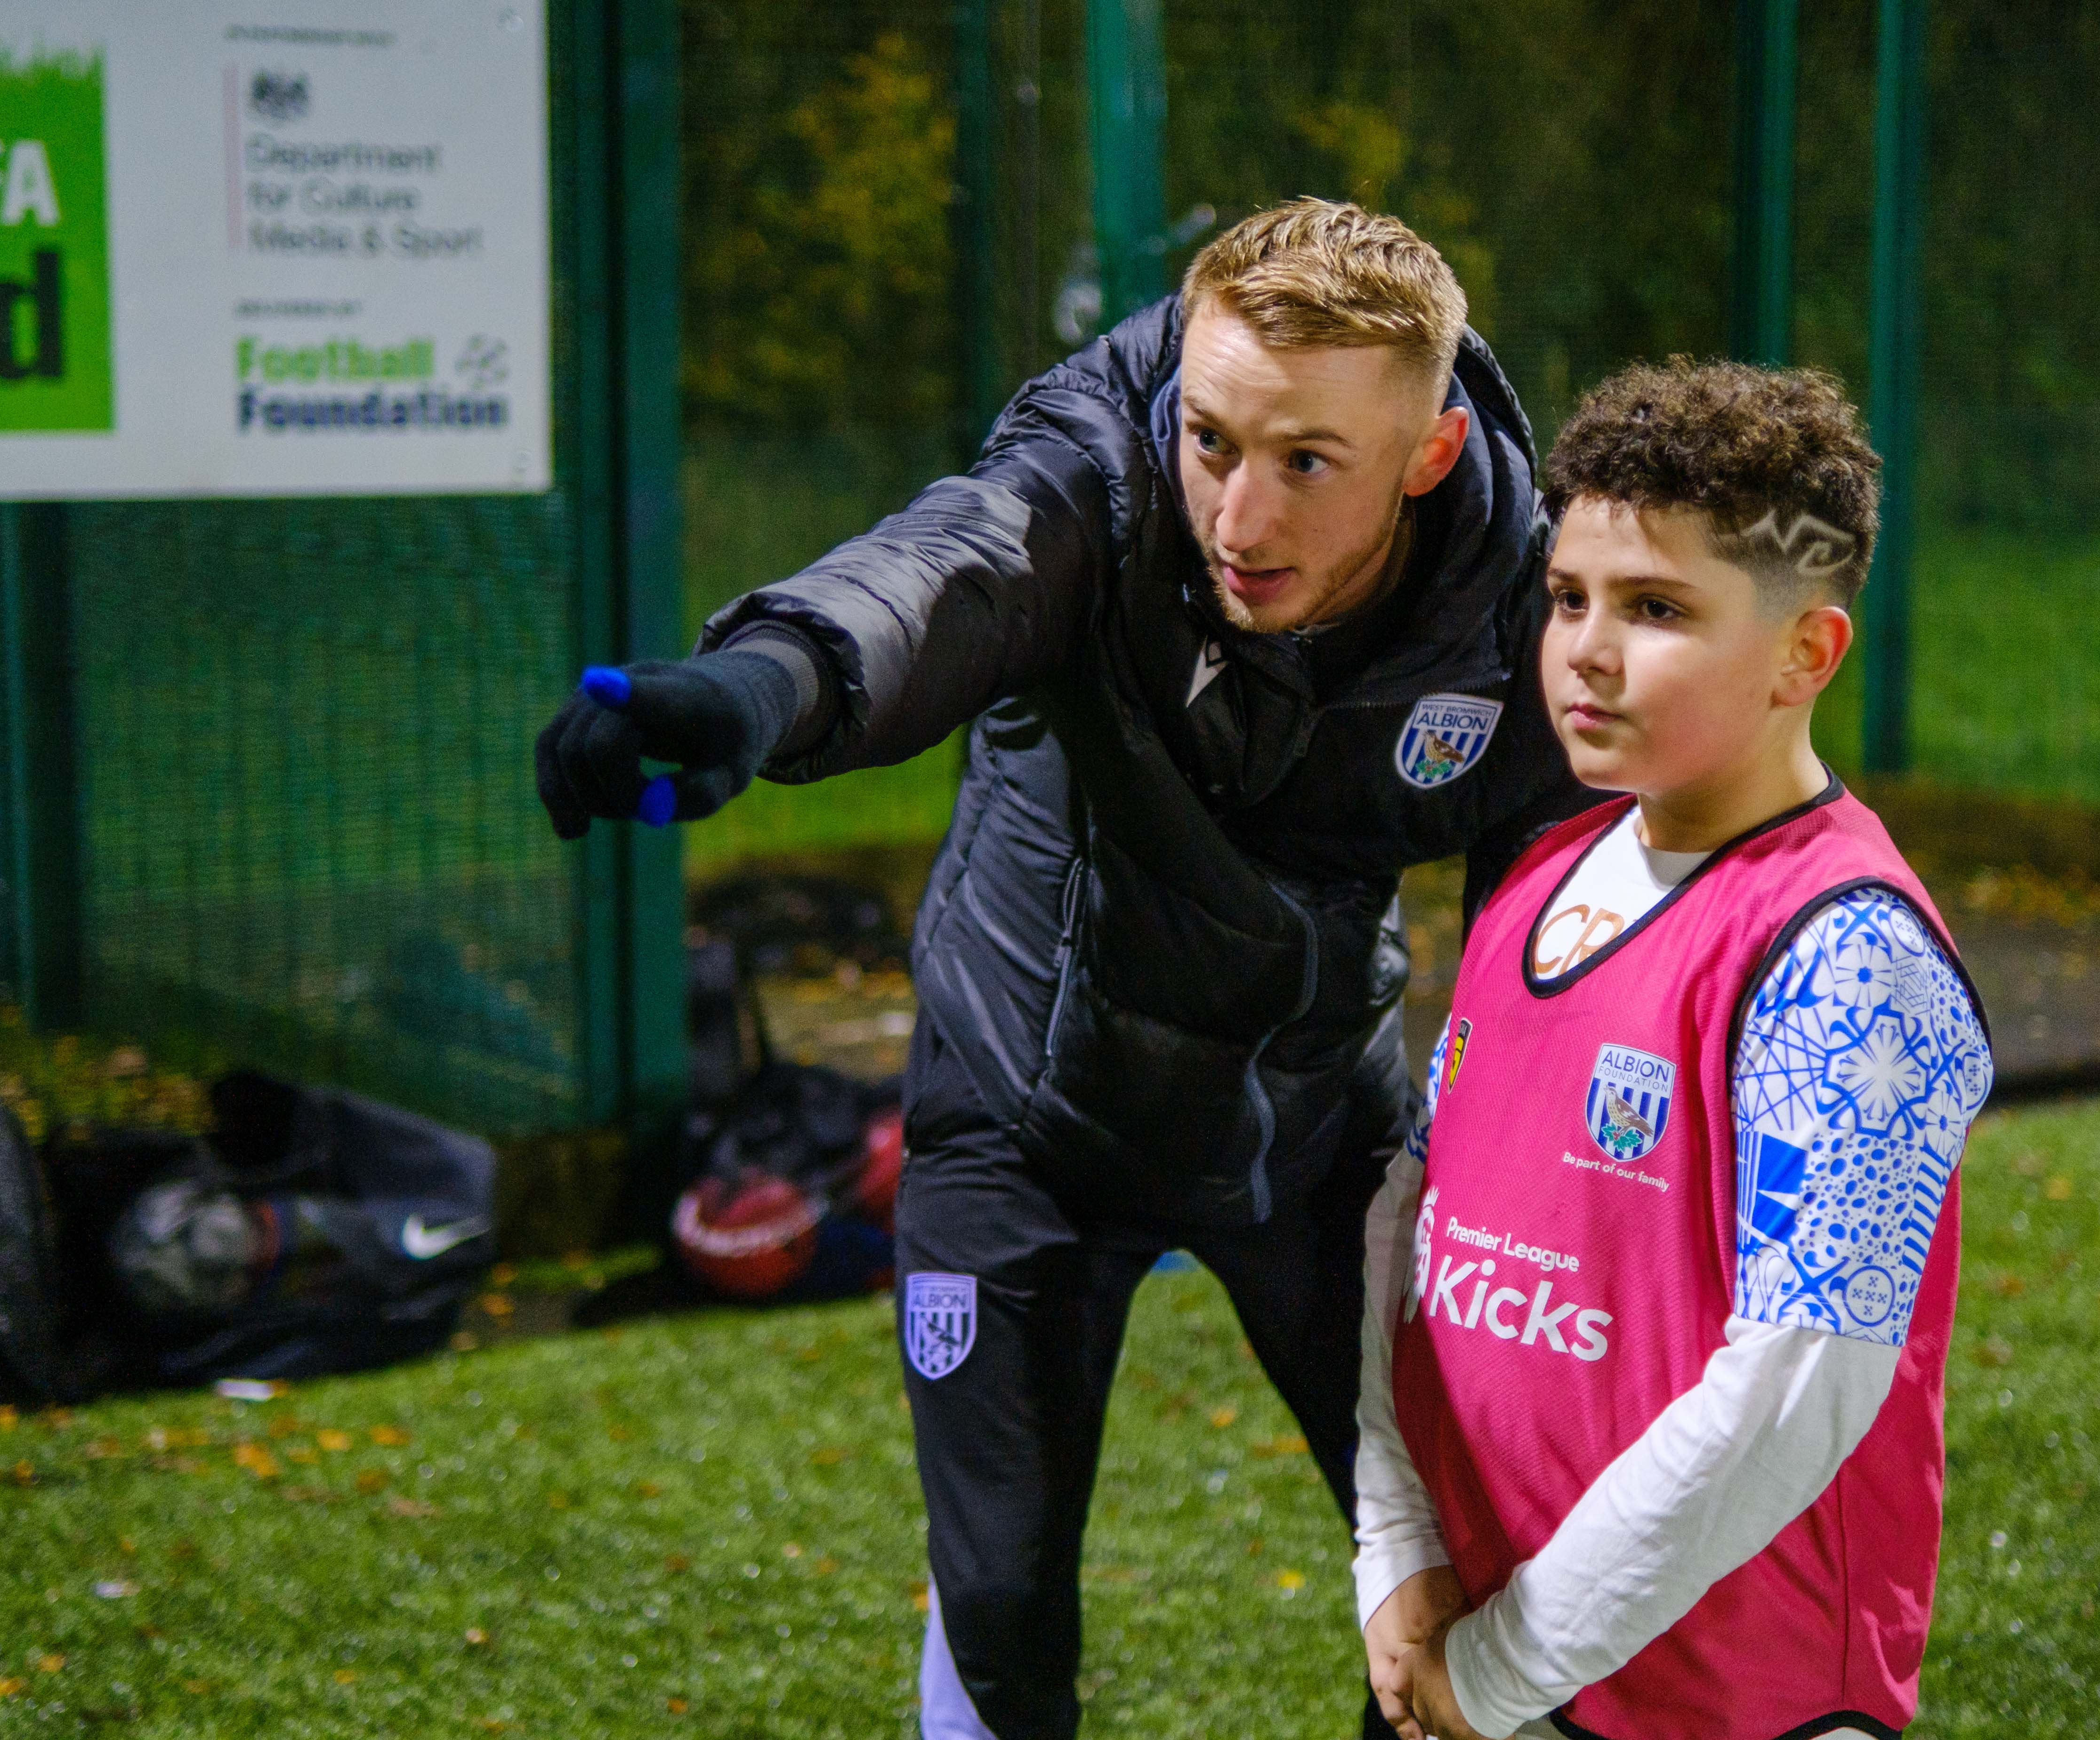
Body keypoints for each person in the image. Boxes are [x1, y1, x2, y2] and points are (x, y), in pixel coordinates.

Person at [533, 199, 1591, 1739]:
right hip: (1021, 1118)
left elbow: (1551, 945)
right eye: (1214, 440)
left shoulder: (1521, 607)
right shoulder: (1096, 474)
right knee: (1004, 1606)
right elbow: (939, 577)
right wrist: (755, 690)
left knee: (1475, 1571)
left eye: (1308, 462)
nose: (1240, 514)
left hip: (1310, 1127)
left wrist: (1516, 1181)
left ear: (1427, 457)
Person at [1353, 360, 1995, 1740]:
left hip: (1725, 1704)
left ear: (1803, 656)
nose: (1586, 647)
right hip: (1484, 1649)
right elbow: (1413, 1228)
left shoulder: (1848, 961)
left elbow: (1795, 1387)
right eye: (1569, 596)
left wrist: (1510, 1665)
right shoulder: (1541, 874)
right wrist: (1394, 1551)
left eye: (1655, 610)